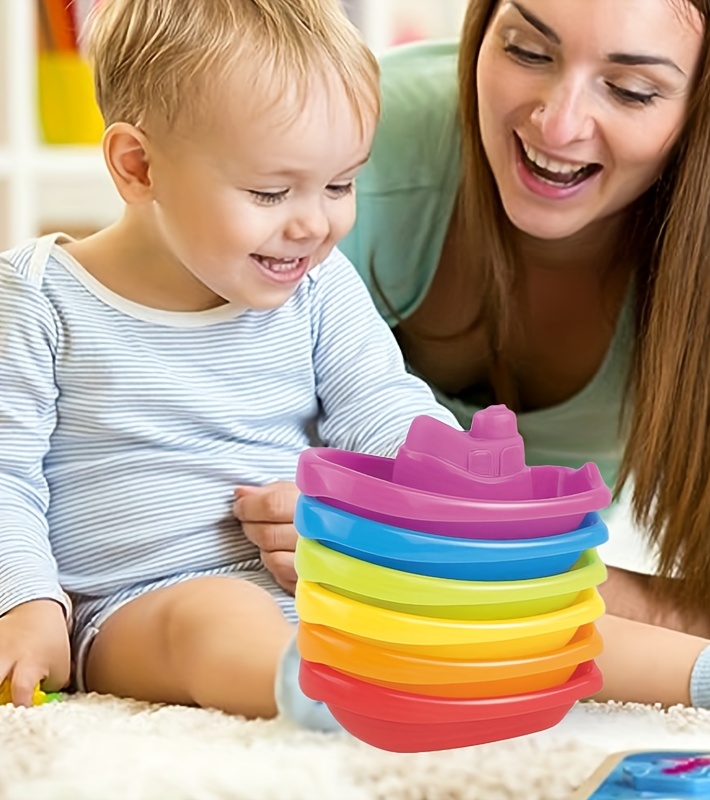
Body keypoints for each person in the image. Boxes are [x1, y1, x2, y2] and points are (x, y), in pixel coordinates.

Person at [239, 0, 710, 718]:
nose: (557, 124)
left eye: (630, 90)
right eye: (528, 51)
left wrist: (467, 557)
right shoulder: (351, 158)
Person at [0, 0, 461, 720]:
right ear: (139, 166)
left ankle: (698, 671)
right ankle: (348, 702)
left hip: (313, 583)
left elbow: (384, 404)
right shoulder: (38, 299)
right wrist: (25, 603)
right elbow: (5, 476)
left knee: (507, 604)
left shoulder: (317, 285)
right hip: (137, 611)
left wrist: (454, 489)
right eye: (271, 192)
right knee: (216, 613)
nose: (314, 223)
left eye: (340, 184)